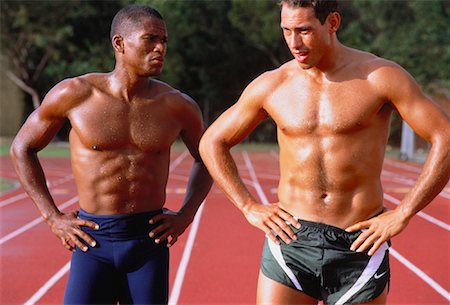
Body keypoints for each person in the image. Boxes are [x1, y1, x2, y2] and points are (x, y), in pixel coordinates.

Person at [199, 0, 450, 304]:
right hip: (290, 241)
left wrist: (404, 212)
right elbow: (212, 141)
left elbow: (445, 136)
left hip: (359, 244)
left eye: (304, 30)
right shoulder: (272, 84)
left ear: (332, 22)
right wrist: (248, 206)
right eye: (286, 31)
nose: (294, 43)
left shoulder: (379, 77)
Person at [10, 5, 212, 305]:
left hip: (148, 241)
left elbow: (208, 158)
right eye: (150, 39)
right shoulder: (75, 94)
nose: (160, 48)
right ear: (120, 44)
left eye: (164, 41)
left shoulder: (178, 106)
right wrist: (52, 217)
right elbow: (22, 148)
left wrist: (186, 215)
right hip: (93, 239)